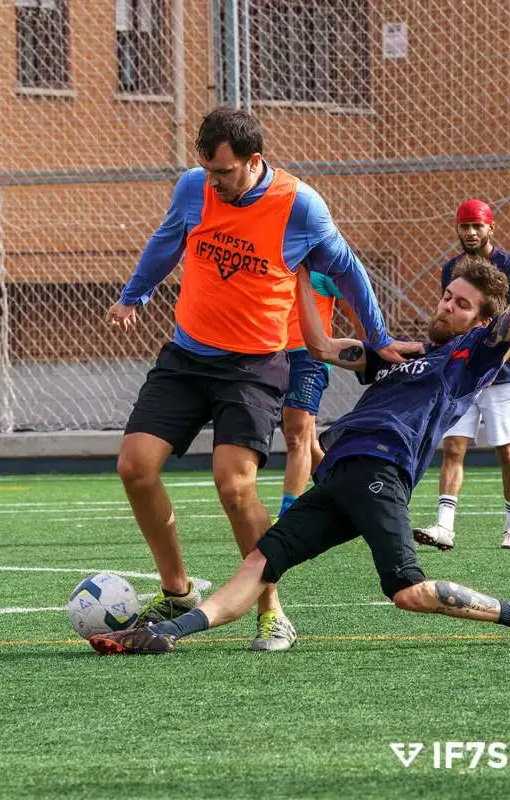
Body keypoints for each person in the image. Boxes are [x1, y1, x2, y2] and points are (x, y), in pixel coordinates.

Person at [89, 175, 510, 657]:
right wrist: (301, 276)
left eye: (462, 305)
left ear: (483, 321)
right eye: (447, 296)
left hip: (380, 473)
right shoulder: (399, 353)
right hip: (337, 477)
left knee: (406, 590)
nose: (447, 307)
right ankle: (165, 633)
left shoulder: (473, 359)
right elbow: (318, 345)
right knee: (259, 563)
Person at [106, 107, 406, 652]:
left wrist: (379, 337)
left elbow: (348, 269)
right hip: (187, 355)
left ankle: (271, 609)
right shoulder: (195, 188)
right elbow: (168, 239)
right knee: (135, 466)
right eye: (207, 171)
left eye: (224, 173)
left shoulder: (300, 207)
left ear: (254, 162)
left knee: (234, 485)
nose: (213, 183)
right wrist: (135, 293)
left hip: (253, 365)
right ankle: (177, 591)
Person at [414, 199, 510, 551]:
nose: (470, 232)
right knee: (453, 446)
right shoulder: (452, 268)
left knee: (505, 449)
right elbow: (454, 321)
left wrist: (494, 364)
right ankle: (445, 526)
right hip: (465, 371)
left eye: (476, 226)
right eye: (464, 226)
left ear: (490, 228)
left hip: (503, 373)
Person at [279, 272, 342, 518]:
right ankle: (342, 494)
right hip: (271, 353)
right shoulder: (273, 255)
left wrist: (372, 352)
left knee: (296, 435)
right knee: (304, 437)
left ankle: (289, 514)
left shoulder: (325, 262)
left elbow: (356, 303)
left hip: (308, 356)